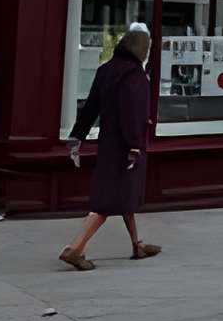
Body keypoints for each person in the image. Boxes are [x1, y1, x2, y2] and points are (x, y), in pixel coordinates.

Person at [60, 24, 161, 271]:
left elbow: (91, 106)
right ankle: (75, 249)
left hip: (108, 142)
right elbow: (132, 112)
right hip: (127, 146)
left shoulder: (106, 70)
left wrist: (77, 136)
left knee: (126, 195)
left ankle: (137, 244)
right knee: (106, 202)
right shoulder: (135, 76)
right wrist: (135, 145)